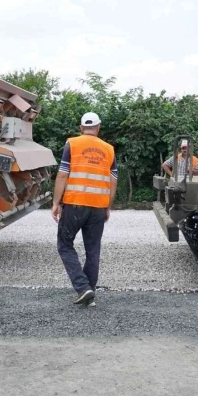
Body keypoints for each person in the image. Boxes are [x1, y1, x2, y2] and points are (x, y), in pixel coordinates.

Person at [51, 112, 118, 308]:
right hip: (98, 206)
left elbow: (63, 175)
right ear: (98, 127)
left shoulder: (72, 144)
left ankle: (82, 288)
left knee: (65, 244)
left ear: (81, 128)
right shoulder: (109, 149)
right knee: (93, 249)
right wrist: (108, 205)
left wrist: (56, 202)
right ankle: (90, 293)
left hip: (75, 204)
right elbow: (113, 181)